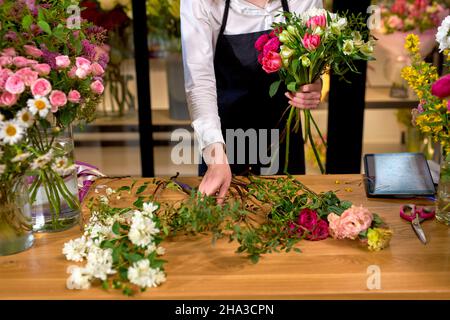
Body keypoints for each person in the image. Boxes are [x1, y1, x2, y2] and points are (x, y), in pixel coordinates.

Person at [181, 0, 323, 203]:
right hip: (223, 142)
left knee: (287, 215)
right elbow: (199, 81)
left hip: (283, 136)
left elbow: (311, 56)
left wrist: (312, 83)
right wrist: (216, 159)